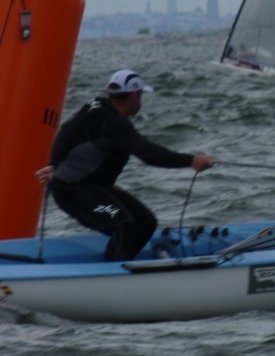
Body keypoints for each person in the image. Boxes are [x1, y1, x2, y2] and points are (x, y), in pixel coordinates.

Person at [35, 69, 214, 261]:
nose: (140, 101)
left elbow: (65, 132)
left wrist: (55, 164)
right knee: (125, 225)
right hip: (72, 191)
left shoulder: (94, 104)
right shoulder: (115, 124)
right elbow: (149, 154)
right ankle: (112, 273)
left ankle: (120, 264)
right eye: (140, 95)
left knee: (145, 222)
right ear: (135, 95)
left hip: (90, 187)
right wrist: (191, 161)